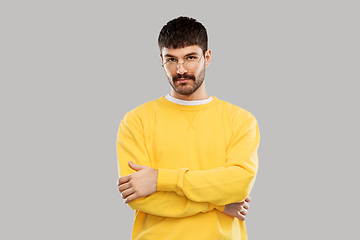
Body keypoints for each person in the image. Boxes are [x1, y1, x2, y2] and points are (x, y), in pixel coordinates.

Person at [117, 16, 259, 240]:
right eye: (171, 59)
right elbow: (139, 197)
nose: (180, 69)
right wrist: (219, 205)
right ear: (161, 61)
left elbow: (239, 184)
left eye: (190, 57)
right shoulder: (136, 120)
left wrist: (161, 180)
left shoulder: (239, 119)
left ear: (207, 57)